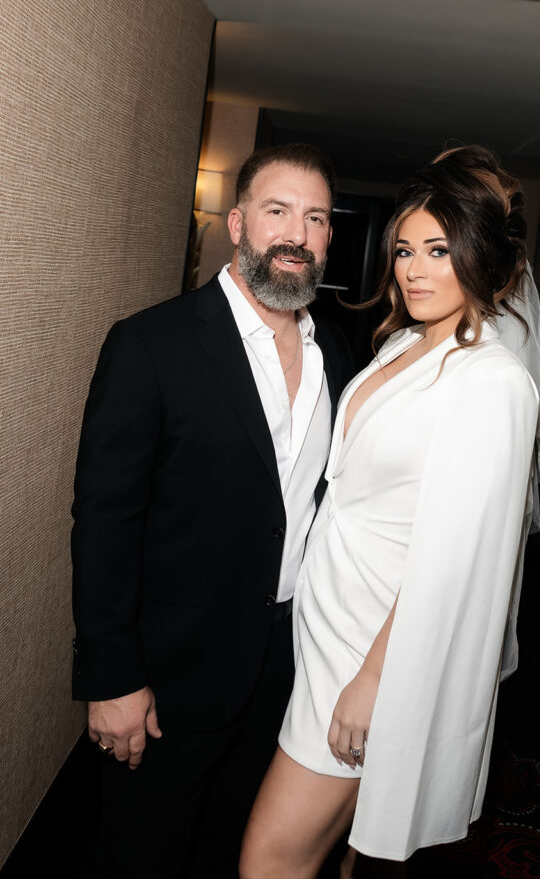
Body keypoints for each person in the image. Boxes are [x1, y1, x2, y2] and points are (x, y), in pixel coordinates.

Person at [240, 144, 540, 878]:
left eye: (438, 250)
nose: (413, 269)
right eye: (405, 249)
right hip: (330, 624)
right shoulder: (403, 343)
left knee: (269, 856)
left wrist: (374, 679)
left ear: (479, 255)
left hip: (372, 646)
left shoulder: (492, 381)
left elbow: (450, 559)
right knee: (335, 854)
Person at [70, 142, 354, 878]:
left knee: (237, 849)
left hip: (290, 668)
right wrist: (111, 678)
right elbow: (105, 520)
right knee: (142, 854)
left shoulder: (343, 359)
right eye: (276, 211)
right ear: (237, 224)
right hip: (168, 678)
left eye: (315, 217)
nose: (296, 232)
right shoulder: (151, 344)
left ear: (328, 237)